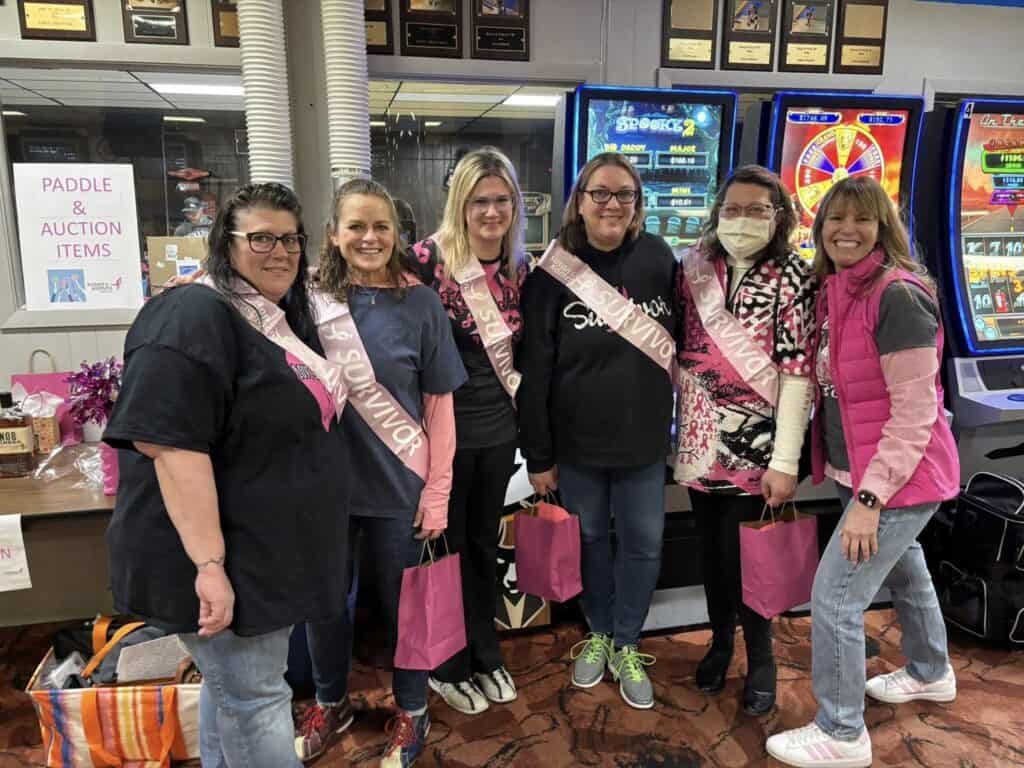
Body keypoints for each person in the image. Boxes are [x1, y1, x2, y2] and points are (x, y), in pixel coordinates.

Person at [104, 182, 350, 768]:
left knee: (235, 692)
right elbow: (169, 445)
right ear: (225, 243)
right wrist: (209, 566)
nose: (280, 251)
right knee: (258, 699)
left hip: (258, 549)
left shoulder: (269, 316)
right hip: (216, 556)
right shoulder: (191, 312)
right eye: (260, 237)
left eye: (291, 238)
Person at [766, 177, 959, 768]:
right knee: (907, 573)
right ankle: (931, 672)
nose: (846, 231)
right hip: (871, 473)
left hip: (897, 481)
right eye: (834, 220)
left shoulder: (896, 295)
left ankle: (842, 732)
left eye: (861, 220)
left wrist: (870, 500)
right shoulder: (840, 288)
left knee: (836, 599)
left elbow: (915, 411)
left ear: (884, 228)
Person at [295, 178, 466, 768]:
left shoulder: (420, 303)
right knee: (323, 605)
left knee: (408, 607)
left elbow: (441, 408)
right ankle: (329, 702)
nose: (369, 238)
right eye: (357, 226)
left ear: (397, 235)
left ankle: (413, 711)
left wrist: (437, 493)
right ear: (333, 235)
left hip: (400, 487)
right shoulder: (306, 301)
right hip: (326, 491)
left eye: (382, 227)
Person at [516, 152, 676, 710]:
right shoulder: (551, 275)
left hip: (644, 441)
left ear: (637, 204)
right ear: (579, 201)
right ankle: (600, 631)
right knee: (587, 543)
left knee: (644, 545)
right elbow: (534, 373)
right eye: (600, 193)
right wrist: (538, 457)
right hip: (576, 445)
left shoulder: (660, 259)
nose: (612, 205)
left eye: (624, 195)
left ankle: (628, 642)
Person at [674, 164, 817, 716]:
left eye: (756, 210)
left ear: (777, 216)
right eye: (731, 208)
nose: (741, 220)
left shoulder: (793, 275)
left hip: (759, 451)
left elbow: (798, 374)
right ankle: (719, 643)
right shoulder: (693, 268)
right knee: (709, 556)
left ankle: (762, 660)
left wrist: (785, 461)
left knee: (749, 560)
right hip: (699, 440)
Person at [411, 147, 528, 716]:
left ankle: (485, 649)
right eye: (479, 200)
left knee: (482, 544)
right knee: (443, 547)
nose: (491, 210)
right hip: (442, 437)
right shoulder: (424, 261)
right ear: (460, 203)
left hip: (498, 432)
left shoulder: (518, 268)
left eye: (501, 199)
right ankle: (445, 663)